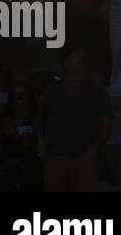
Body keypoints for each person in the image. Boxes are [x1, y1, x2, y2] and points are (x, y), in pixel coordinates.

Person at [37, 43, 112, 192]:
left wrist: (91, 152)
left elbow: (106, 124)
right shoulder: (52, 89)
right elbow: (39, 118)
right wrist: (41, 142)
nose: (82, 58)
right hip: (55, 157)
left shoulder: (96, 90)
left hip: (83, 157)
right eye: (77, 55)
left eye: (84, 56)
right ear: (66, 62)